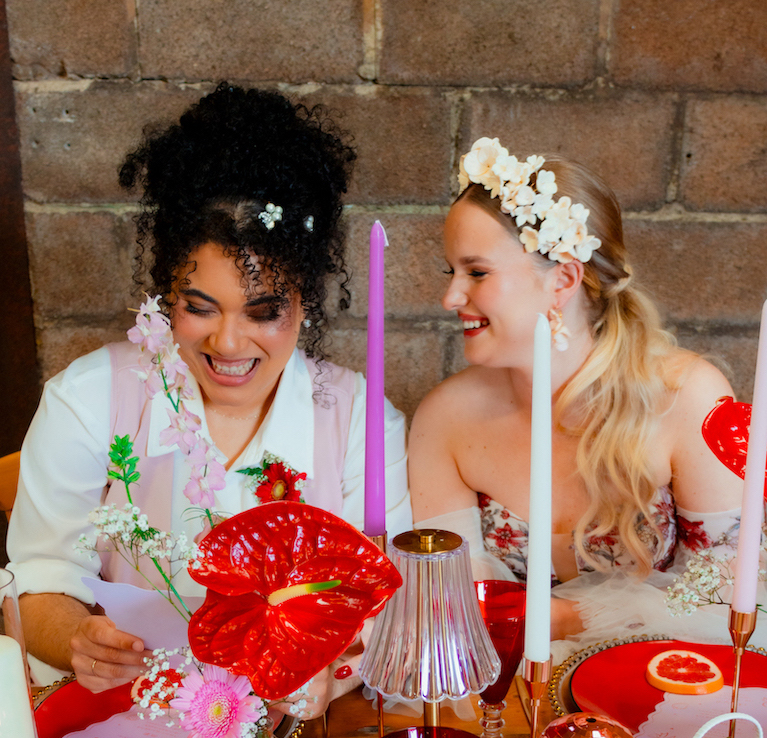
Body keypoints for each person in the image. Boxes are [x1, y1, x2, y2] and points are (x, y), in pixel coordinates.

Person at [8, 84, 411, 698]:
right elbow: (43, 577)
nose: (228, 343)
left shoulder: (361, 424)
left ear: (305, 301)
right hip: (128, 729)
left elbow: (385, 612)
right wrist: (74, 638)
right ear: (167, 291)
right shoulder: (88, 400)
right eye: (199, 308)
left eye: (263, 311)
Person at [409, 137, 745, 648]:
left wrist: (567, 618)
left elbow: (718, 586)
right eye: (451, 272)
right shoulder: (444, 419)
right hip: (503, 686)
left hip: (660, 676)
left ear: (564, 278)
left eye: (476, 272)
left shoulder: (688, 397)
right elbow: (446, 595)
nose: (451, 296)